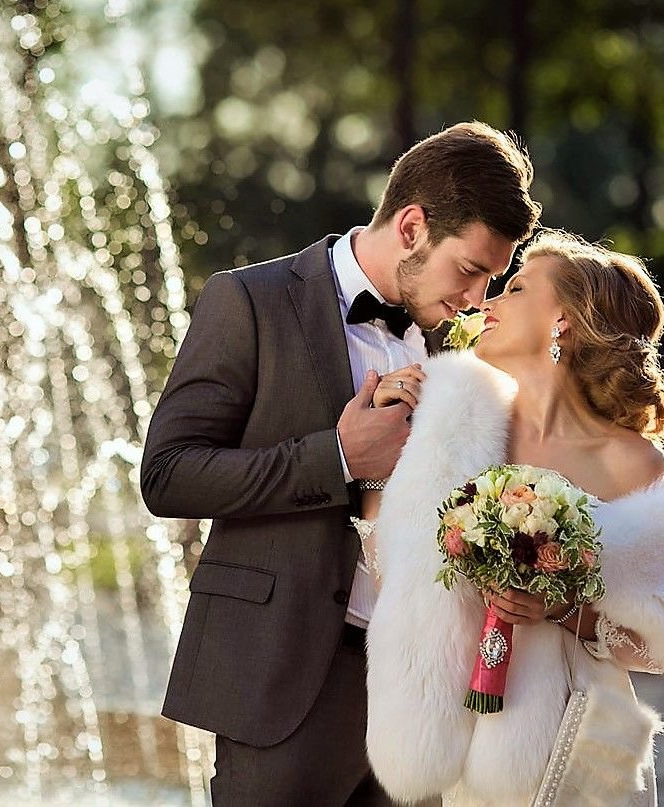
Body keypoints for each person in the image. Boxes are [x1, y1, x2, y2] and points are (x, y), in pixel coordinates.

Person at [139, 122, 541, 804]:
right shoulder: (250, 302)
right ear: (411, 227)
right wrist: (336, 456)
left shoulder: (453, 345)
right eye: (470, 270)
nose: (476, 298)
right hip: (284, 681)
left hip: (418, 696)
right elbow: (168, 473)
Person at [363, 230, 664, 806]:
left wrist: (562, 607)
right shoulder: (451, 425)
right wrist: (385, 451)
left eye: (515, 290)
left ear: (562, 320)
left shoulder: (631, 462)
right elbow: (393, 570)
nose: (488, 302)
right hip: (469, 758)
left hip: (580, 751)